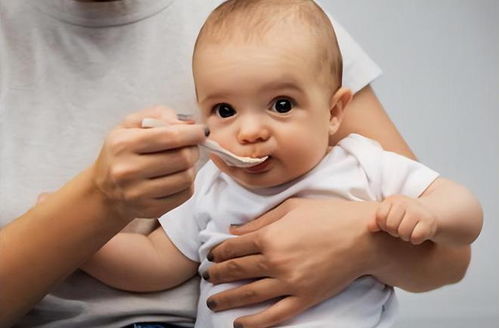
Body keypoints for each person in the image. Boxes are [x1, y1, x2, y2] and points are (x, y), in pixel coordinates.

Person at [0, 0, 480, 327]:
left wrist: (420, 218)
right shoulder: (211, 185)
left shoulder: (362, 163)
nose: (249, 131)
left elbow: (458, 219)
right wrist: (79, 226)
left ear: (334, 112)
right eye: (225, 112)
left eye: (281, 105)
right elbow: (156, 263)